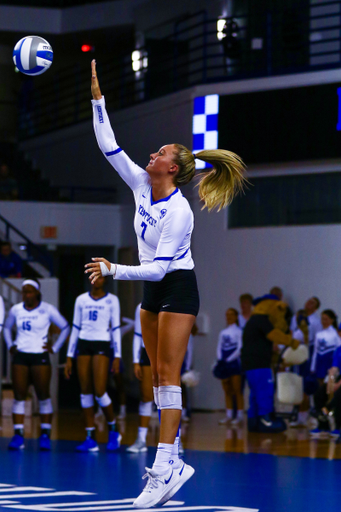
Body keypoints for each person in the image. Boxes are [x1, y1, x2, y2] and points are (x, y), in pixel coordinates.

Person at [85, 59, 247, 508]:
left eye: (159, 154)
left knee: (169, 376)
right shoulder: (140, 183)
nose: (151, 156)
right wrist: (98, 100)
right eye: (154, 153)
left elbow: (159, 268)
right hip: (152, 291)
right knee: (153, 378)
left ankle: (163, 467)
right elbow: (109, 145)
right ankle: (172, 460)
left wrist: (115, 271)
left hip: (176, 288)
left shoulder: (179, 212)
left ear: (172, 170)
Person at [3, 278, 70, 450]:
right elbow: (6, 327)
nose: (26, 294)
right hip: (21, 356)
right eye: (24, 291)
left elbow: (65, 327)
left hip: (40, 356)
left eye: (29, 291)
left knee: (43, 395)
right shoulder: (16, 310)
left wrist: (54, 348)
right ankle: (18, 435)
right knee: (19, 396)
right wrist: (10, 345)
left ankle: (45, 435)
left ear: (37, 292)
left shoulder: (47, 309)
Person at [64, 276, 122, 452]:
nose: (96, 280)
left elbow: (116, 328)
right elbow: (75, 327)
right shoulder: (81, 299)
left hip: (102, 344)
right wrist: (68, 355)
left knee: (99, 390)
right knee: (85, 391)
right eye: (93, 276)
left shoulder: (112, 300)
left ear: (105, 280)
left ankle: (113, 429)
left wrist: (118, 355)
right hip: (83, 343)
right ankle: (90, 437)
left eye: (100, 277)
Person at [241, 294, 300, 433]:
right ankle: (265, 420)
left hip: (250, 364)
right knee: (264, 391)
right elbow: (274, 335)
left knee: (255, 394)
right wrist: (291, 341)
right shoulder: (261, 319)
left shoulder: (253, 320)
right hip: (259, 364)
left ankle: (253, 422)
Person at [127, 303, 153, 453]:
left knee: (168, 395)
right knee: (146, 396)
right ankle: (141, 439)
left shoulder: (171, 301)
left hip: (165, 350)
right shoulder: (141, 306)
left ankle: (176, 441)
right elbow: (138, 334)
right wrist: (135, 360)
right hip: (147, 352)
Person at [213, 308, 243, 426]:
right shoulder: (223, 332)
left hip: (234, 362)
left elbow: (240, 348)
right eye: (227, 315)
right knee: (227, 390)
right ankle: (229, 415)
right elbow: (219, 347)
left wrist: (229, 359)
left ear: (236, 316)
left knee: (237, 390)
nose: (229, 317)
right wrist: (221, 359)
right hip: (224, 362)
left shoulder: (239, 331)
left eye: (231, 314)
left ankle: (239, 415)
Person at [310, 343, 341, 439]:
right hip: (339, 378)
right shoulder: (339, 350)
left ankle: (338, 426)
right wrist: (330, 381)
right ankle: (323, 425)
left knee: (339, 395)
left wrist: (338, 384)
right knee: (319, 393)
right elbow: (334, 368)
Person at [310, 310, 340, 384]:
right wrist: (312, 366)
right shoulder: (318, 334)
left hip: (330, 361)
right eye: (322, 319)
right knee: (321, 384)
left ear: (332, 320)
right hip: (320, 361)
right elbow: (315, 351)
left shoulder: (335, 334)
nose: (324, 321)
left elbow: (339, 350)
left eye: (326, 319)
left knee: (330, 384)